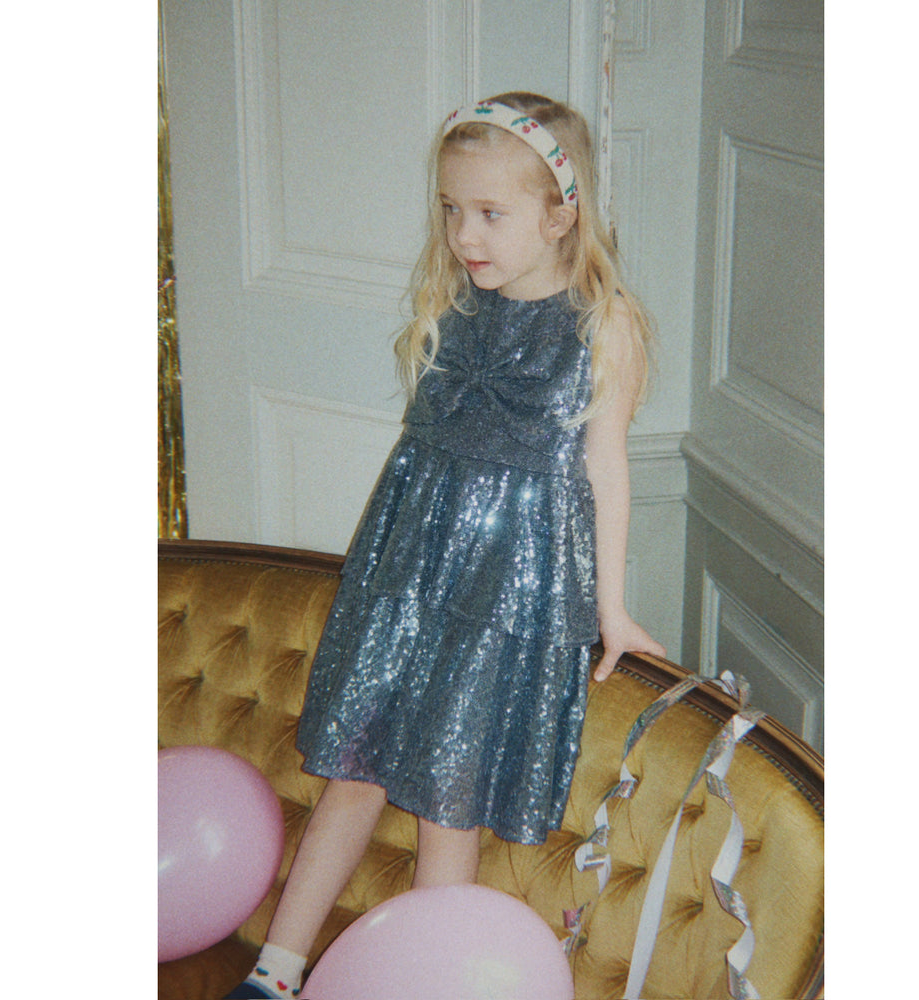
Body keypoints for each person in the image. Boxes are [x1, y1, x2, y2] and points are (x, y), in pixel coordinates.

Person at [225, 91, 666, 1000]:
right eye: (451, 208)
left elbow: (607, 467)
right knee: (352, 772)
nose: (464, 233)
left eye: (491, 212)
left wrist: (612, 608)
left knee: (446, 800)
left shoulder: (603, 323)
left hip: (506, 597)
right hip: (407, 575)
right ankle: (274, 972)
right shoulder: (457, 299)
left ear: (560, 214)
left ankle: (423, 984)